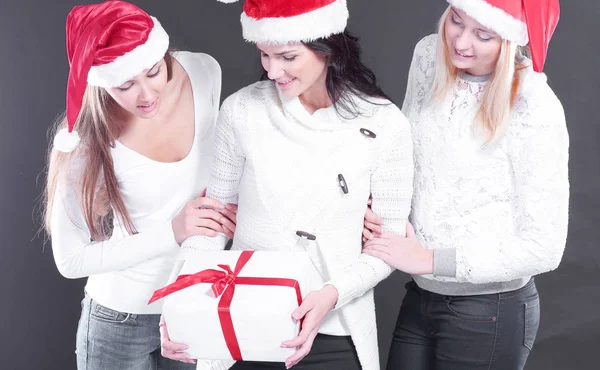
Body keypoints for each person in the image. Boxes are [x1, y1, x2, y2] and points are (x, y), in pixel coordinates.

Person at [159, 1, 414, 370]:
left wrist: (333, 293)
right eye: (264, 54)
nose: (272, 69)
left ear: (327, 47)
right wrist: (181, 300)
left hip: (336, 327)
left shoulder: (386, 124)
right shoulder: (242, 110)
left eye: (287, 57)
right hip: (242, 319)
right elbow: (212, 225)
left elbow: (388, 244)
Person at [362, 0, 569, 369]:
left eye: (483, 34)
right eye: (456, 21)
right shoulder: (430, 54)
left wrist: (429, 259)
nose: (461, 42)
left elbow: (544, 247)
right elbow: (408, 152)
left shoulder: (534, 104)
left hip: (490, 310)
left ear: (509, 40)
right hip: (423, 293)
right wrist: (381, 206)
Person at [43, 1, 237, 368]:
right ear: (101, 81)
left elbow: (218, 168)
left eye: (153, 72)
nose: (147, 95)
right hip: (120, 318)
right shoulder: (84, 140)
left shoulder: (203, 71)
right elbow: (69, 261)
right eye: (126, 84)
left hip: (191, 304)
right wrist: (173, 232)